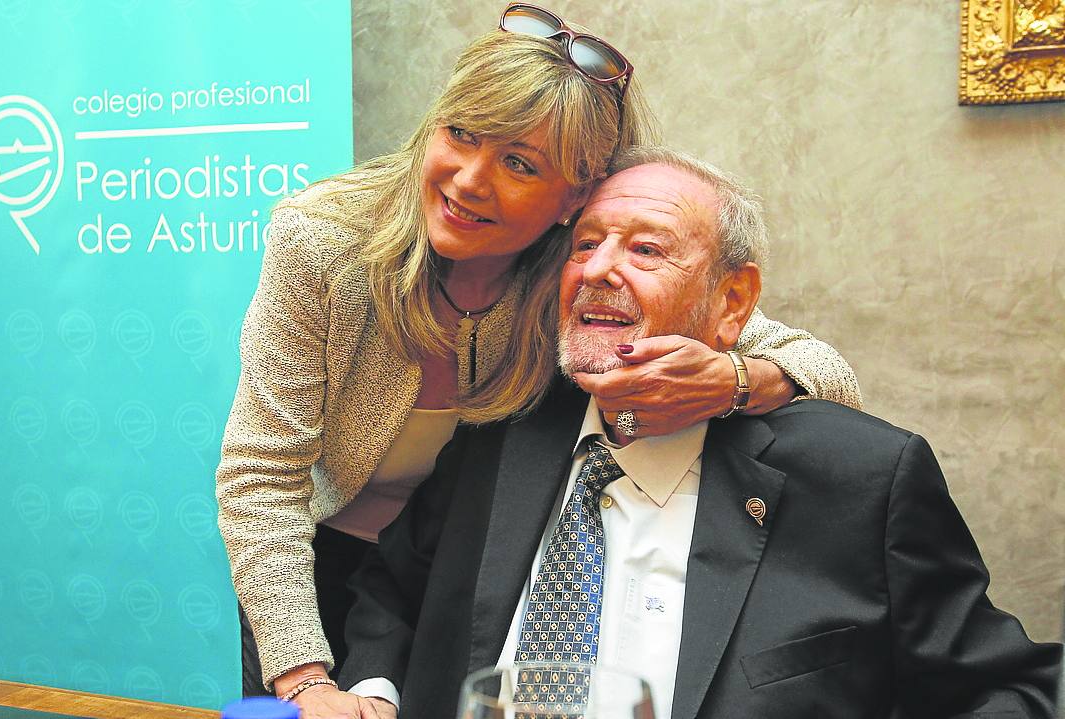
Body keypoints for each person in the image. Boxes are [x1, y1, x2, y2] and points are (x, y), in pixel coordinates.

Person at [216, 5, 862, 714]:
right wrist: (304, 677)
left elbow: (825, 372)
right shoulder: (322, 244)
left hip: (470, 565)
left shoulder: (584, 268)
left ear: (573, 197)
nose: (466, 180)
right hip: (311, 571)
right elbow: (260, 475)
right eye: (460, 134)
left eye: (518, 163)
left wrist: (734, 379)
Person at [336, 148, 1063, 718]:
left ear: (733, 300)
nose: (598, 270)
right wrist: (372, 690)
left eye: (646, 250)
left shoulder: (858, 478)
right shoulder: (501, 433)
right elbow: (391, 591)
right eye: (584, 245)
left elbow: (1014, 691)